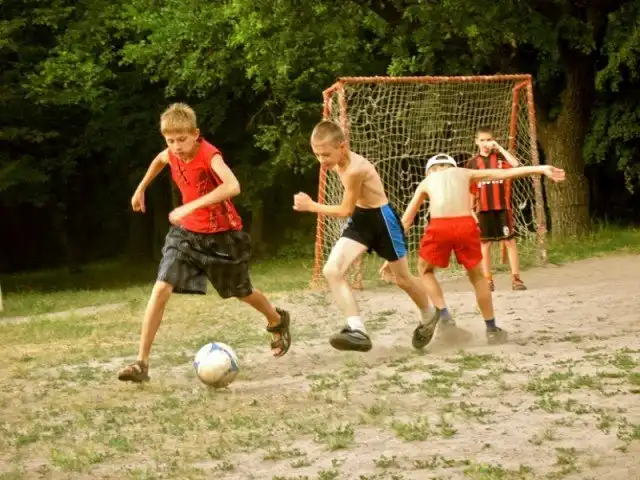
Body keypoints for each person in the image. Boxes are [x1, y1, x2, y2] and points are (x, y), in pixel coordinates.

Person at [118, 103, 292, 383]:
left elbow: (233, 186)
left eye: (182, 139)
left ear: (196, 134)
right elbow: (160, 160)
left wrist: (191, 206)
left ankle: (276, 320)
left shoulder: (209, 155)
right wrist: (141, 189)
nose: (176, 146)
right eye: (170, 140)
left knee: (242, 292)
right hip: (186, 234)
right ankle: (141, 363)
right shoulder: (172, 152)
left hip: (222, 235)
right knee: (161, 288)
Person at [382, 153, 565, 345]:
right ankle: (492, 329)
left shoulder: (427, 181)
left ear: (429, 171)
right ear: (452, 166)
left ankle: (444, 316)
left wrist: (391, 256)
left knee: (425, 271)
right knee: (478, 277)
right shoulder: (465, 172)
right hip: (465, 225)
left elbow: (406, 221)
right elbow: (505, 173)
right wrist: (541, 168)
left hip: (439, 226)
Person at [293, 120, 437, 352]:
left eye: (326, 154)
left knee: (402, 279)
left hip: (383, 221)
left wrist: (311, 206)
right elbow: (352, 210)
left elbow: (344, 210)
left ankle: (429, 315)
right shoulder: (338, 162)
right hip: (361, 218)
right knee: (332, 270)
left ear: (343, 146)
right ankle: (357, 330)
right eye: (317, 155)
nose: (321, 160)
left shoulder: (355, 169)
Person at [466, 127, 526, 291]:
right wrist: (470, 209)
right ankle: (488, 280)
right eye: (482, 140)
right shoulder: (472, 164)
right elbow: (471, 189)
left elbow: (516, 165)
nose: (486, 143)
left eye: (489, 140)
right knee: (485, 244)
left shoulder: (500, 158)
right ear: (477, 142)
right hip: (483, 210)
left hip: (502, 208)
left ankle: (516, 279)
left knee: (509, 241)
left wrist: (499, 148)